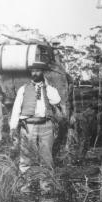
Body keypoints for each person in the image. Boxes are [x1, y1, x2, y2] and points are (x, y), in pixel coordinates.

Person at [9, 62, 62, 193]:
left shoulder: (49, 88)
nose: (34, 73)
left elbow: (56, 100)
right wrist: (13, 127)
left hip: (46, 125)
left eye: (38, 71)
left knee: (46, 158)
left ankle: (46, 187)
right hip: (28, 126)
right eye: (32, 71)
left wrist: (46, 86)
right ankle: (26, 186)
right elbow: (16, 109)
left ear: (42, 72)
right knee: (26, 157)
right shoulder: (23, 89)